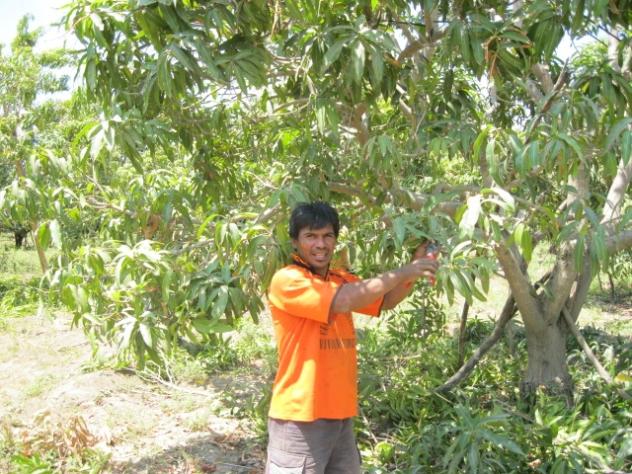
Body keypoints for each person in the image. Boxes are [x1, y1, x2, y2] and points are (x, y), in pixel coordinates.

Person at [265, 201, 439, 474]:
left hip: (340, 414)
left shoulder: (339, 279)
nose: (320, 244)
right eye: (310, 236)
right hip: (299, 416)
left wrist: (415, 267)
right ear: (295, 242)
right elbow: (344, 301)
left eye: (327, 236)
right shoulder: (287, 280)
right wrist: (404, 271)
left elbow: (386, 300)